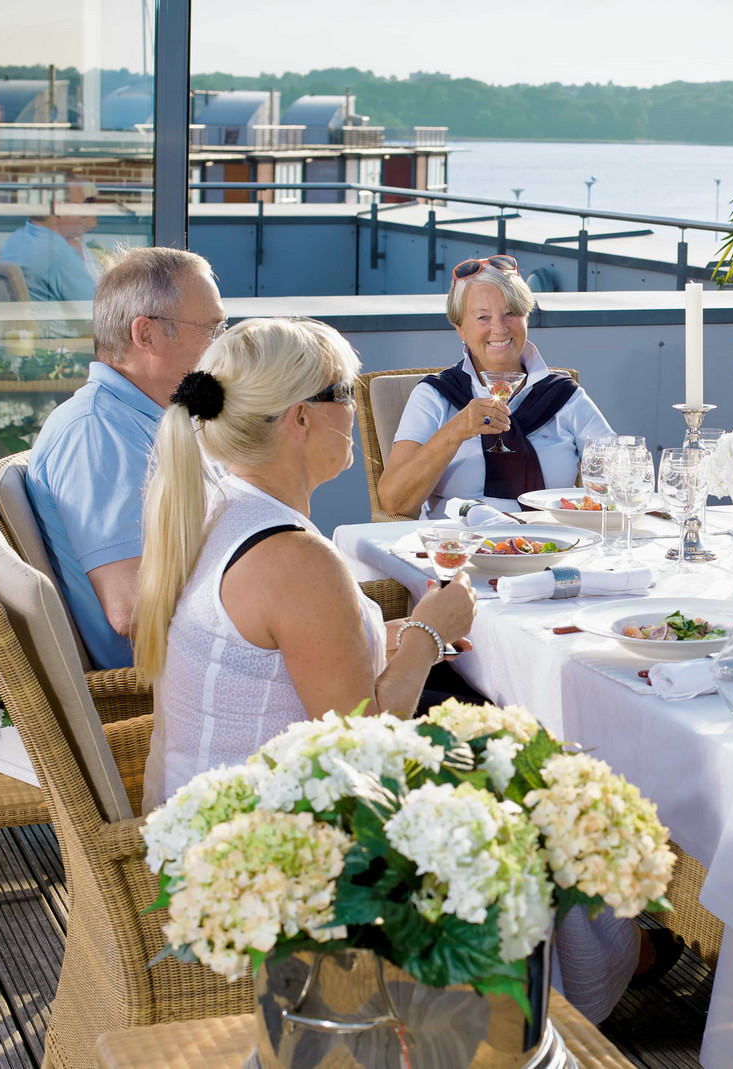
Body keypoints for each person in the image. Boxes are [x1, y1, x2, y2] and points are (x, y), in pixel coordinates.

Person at [133, 317, 479, 810]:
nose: (354, 408)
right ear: (299, 418)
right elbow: (364, 753)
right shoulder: (295, 559)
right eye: (341, 391)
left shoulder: (220, 507)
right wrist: (426, 637)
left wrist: (412, 629)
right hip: (254, 850)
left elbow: (275, 659)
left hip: (200, 819)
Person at [27, 246, 227, 668]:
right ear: (146, 335)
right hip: (172, 680)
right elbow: (132, 608)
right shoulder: (97, 433)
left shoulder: (147, 418)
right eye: (211, 329)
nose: (221, 345)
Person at [378, 256, 614, 518]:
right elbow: (395, 503)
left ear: (527, 316)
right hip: (457, 546)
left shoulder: (563, 395)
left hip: (554, 543)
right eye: (482, 317)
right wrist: (455, 431)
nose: (499, 329)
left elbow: (618, 474)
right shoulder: (434, 396)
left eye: (510, 313)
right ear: (460, 329)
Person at [0, 177, 104, 312]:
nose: (84, 214)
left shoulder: (15, 240)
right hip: (72, 333)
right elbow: (97, 312)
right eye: (80, 206)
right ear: (58, 207)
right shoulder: (59, 254)